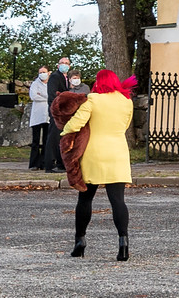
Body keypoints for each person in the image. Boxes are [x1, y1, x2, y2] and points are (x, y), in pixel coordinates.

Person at [58, 69, 136, 261]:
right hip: (117, 152)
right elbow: (125, 125)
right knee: (117, 200)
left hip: (94, 152)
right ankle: (123, 243)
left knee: (85, 198)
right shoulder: (126, 101)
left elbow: (76, 123)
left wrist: (63, 133)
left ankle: (80, 241)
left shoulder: (92, 100)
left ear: (98, 82)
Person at [26, 66, 52, 169]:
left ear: (49, 72)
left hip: (47, 115)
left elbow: (52, 95)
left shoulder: (51, 84)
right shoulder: (35, 84)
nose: (42, 74)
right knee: (36, 141)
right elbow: (34, 96)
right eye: (40, 72)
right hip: (37, 116)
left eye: (44, 72)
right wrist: (46, 97)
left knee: (46, 140)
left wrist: (42, 94)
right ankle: (34, 164)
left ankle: (44, 162)